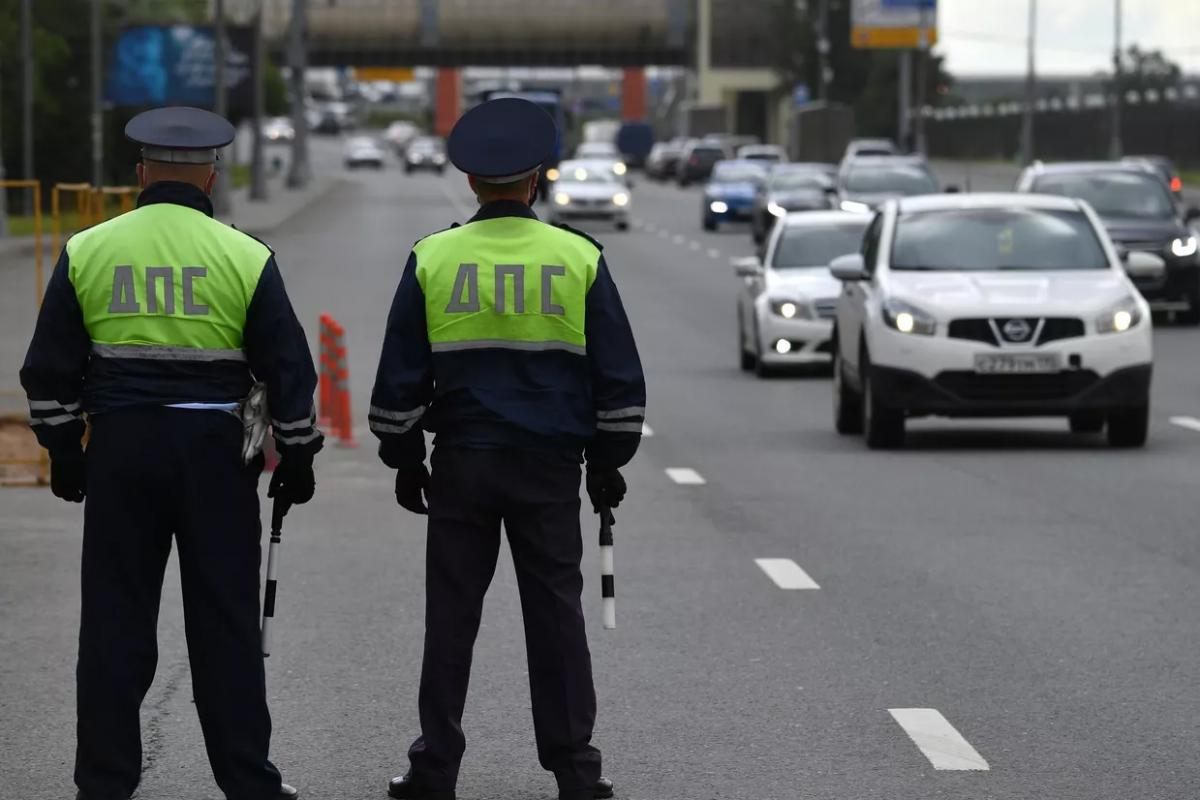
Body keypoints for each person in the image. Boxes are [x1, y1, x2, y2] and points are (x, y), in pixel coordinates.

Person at [20, 106, 321, 800]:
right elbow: (287, 371)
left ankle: (103, 783)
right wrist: (297, 456)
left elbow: (49, 370)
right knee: (225, 624)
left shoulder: (90, 249)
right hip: (215, 455)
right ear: (211, 175)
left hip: (122, 449)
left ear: (139, 174)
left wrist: (65, 450)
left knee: (114, 622)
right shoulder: (245, 256)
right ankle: (249, 782)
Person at [370, 97, 646, 800]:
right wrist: (608, 464)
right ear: (537, 180)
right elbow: (617, 377)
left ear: (471, 182)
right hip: (549, 468)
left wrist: (405, 461)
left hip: (463, 463)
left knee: (452, 620)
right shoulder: (578, 257)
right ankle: (577, 771)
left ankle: (435, 768)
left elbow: (399, 380)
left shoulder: (434, 257)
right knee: (556, 619)